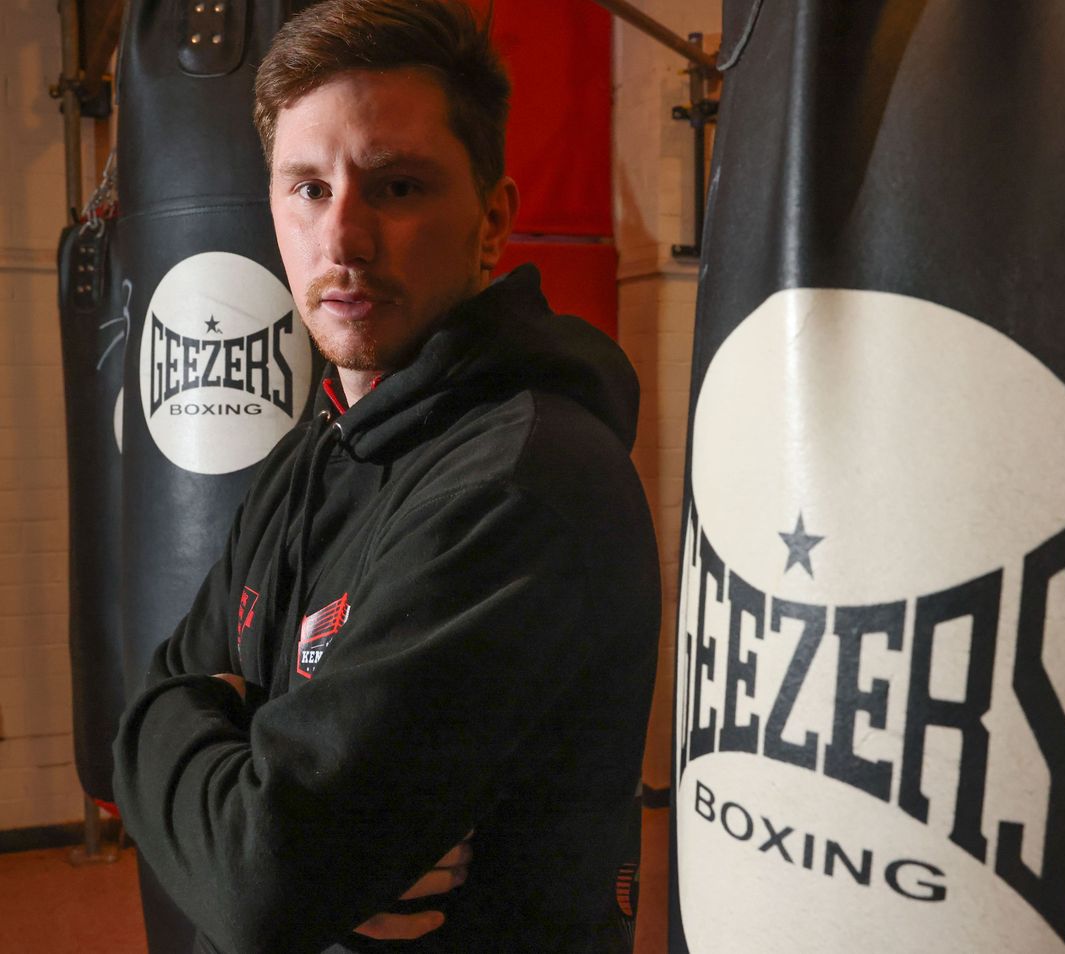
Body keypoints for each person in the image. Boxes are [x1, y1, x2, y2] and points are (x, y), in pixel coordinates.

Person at [111, 1, 661, 951]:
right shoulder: (314, 449)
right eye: (307, 188)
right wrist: (214, 758)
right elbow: (151, 697)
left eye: (397, 187)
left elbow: (261, 879)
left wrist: (230, 756)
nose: (345, 238)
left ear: (493, 220)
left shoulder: (522, 482)